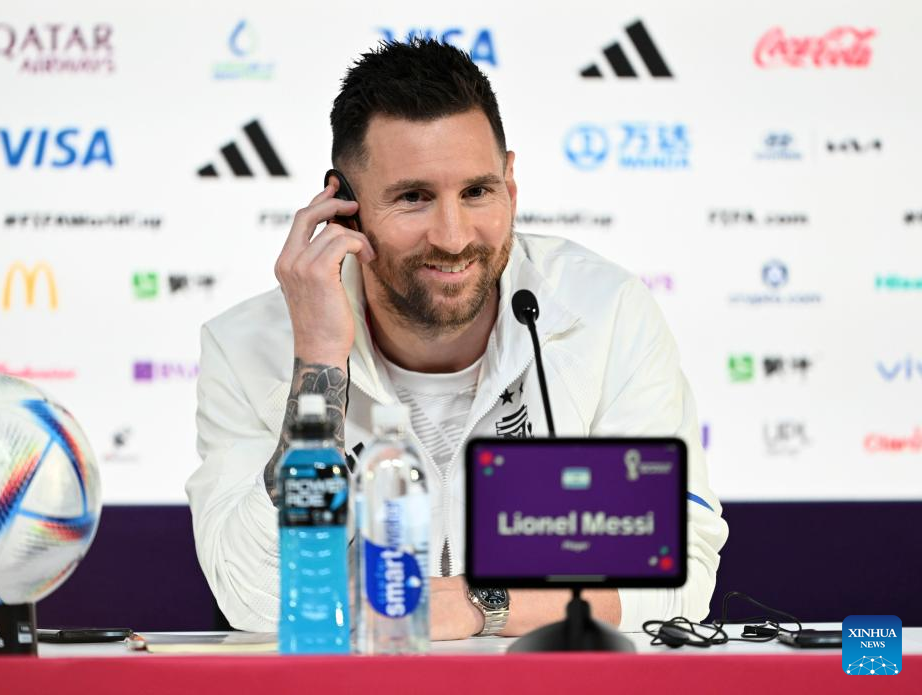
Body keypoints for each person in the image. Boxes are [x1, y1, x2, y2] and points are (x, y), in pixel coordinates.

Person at [186, 39, 728, 640]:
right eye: (413, 198)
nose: (453, 237)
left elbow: (679, 577)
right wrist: (318, 358)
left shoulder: (605, 313)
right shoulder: (246, 346)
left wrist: (477, 604)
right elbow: (257, 602)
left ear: (510, 185)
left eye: (477, 192)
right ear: (344, 209)